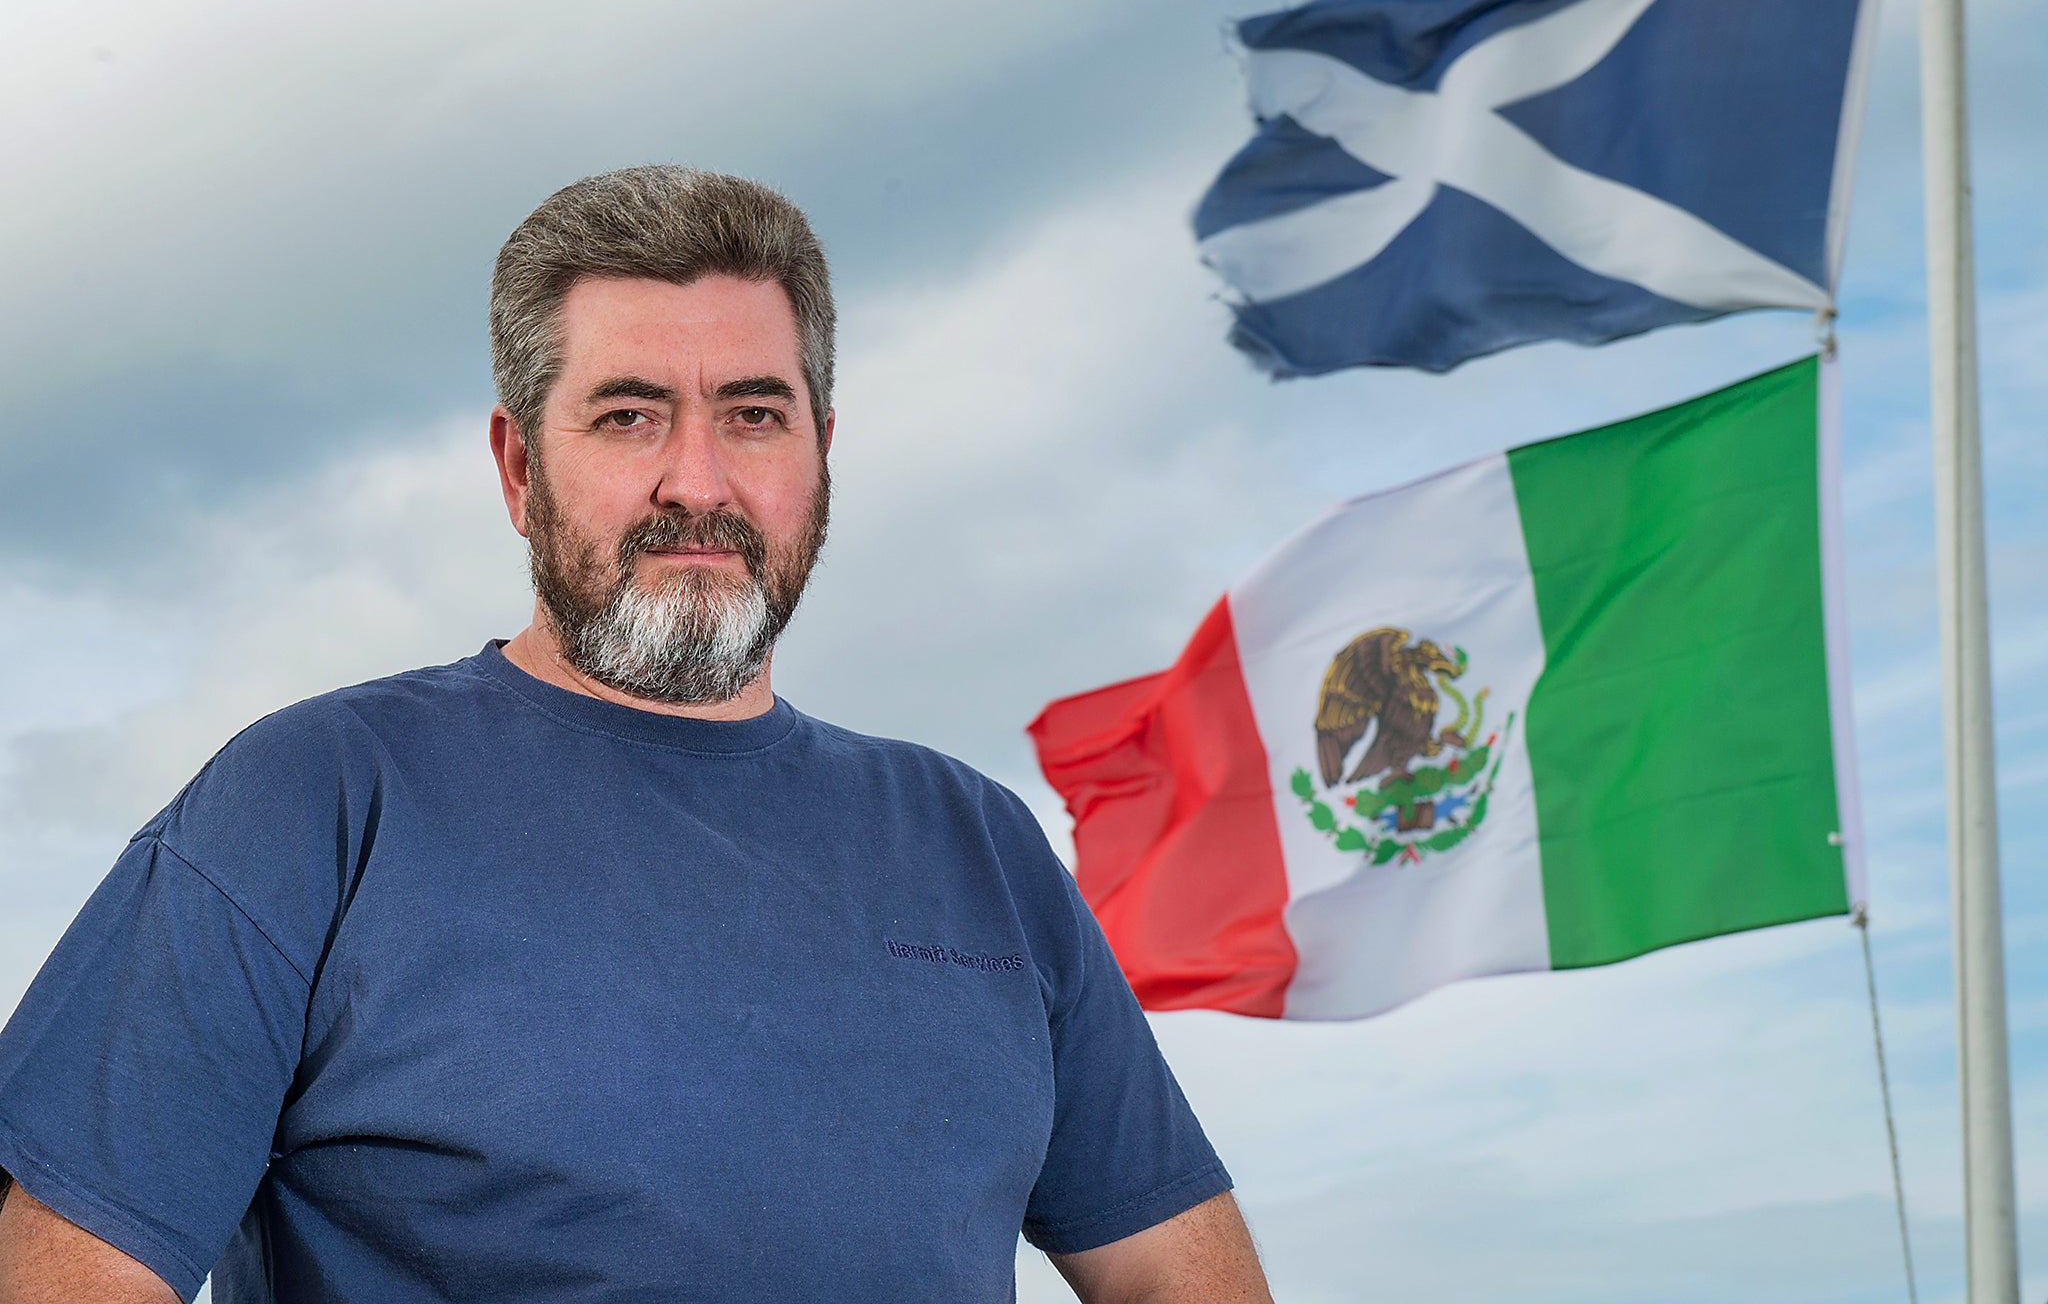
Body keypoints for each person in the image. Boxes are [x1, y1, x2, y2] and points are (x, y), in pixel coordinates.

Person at [0, 168, 1273, 1304]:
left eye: (755, 414)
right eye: (627, 415)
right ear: (516, 469)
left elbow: (1177, 1265)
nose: (698, 482)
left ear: (821, 454)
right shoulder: (315, 801)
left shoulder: (973, 842)